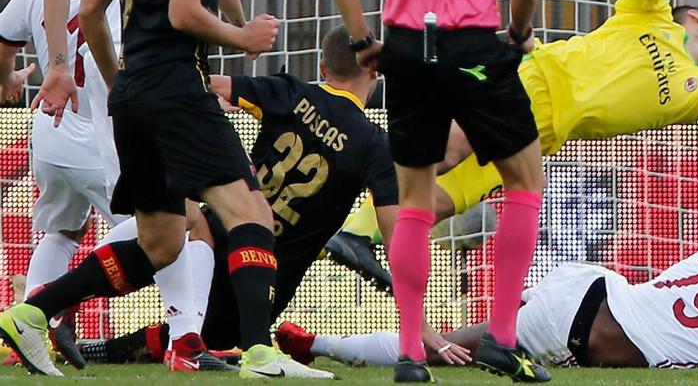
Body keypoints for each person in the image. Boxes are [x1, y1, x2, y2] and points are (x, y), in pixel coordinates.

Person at [0, 0, 326, 379]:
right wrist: (241, 33)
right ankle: (258, 350)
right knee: (250, 210)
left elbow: (90, 3)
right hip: (177, 86)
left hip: (126, 96)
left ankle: (30, 311)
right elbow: (184, 9)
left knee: (161, 241)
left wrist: (115, 79)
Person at [325, 0, 698, 288]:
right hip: (534, 81)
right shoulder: (650, 16)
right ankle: (359, 164)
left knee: (443, 199)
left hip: (541, 135)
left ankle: (357, 233)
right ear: (696, 16)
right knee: (451, 148)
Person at [326, 0, 549, 384]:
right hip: (476, 48)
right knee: (523, 180)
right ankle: (502, 338)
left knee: (415, 196)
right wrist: (520, 32)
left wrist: (365, 41)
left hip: (407, 53)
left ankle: (409, 353)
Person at [72, 28, 469, 369]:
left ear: (322, 67)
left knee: (156, 243)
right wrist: (419, 322)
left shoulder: (288, 92)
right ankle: (104, 345)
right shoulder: (373, 147)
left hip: (213, 240)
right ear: (373, 70)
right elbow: (399, 239)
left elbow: (208, 86)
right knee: (217, 332)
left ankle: (56, 305)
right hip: (264, 283)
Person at [30, 0, 246, 368]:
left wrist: (58, 66)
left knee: (163, 217)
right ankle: (178, 338)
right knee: (185, 217)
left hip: (103, 61)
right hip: (162, 58)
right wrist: (241, 26)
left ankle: (174, 339)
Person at [274, 249, 698, 371]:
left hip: (579, 288)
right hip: (588, 332)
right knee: (451, 351)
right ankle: (329, 341)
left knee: (444, 344)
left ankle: (320, 342)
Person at [0, 0, 118, 362]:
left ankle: (25, 323)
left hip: (50, 136)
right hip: (107, 139)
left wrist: (9, 79)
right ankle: (187, 338)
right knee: (172, 236)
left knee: (62, 233)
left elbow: (3, 44)